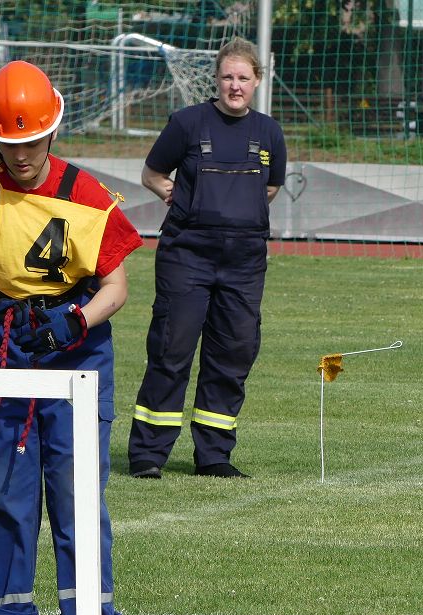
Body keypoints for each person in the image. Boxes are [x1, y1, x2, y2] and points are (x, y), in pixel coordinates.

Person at [0, 60, 143, 615]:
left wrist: (75, 321)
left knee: (78, 494)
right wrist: (1, 312)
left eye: (31, 142)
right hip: (4, 358)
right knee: (9, 495)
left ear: (52, 131)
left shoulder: (88, 196)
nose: (20, 155)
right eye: (8, 142)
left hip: (79, 358)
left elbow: (117, 287)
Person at [127, 37, 286, 480]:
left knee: (233, 354)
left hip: (244, 261)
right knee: (171, 349)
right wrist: (175, 195)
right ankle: (148, 454)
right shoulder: (187, 123)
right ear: (216, 79)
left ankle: (214, 455)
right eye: (228, 77)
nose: (235, 86)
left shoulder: (270, 132)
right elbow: (152, 173)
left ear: (257, 81)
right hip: (187, 256)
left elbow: (271, 187)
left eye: (243, 78)